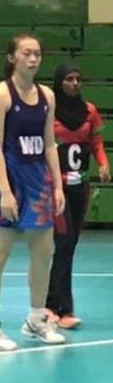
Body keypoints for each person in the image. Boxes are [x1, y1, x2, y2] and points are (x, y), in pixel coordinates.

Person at [0, 33, 66, 351]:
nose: (34, 59)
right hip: (8, 181)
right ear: (12, 57)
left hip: (37, 182)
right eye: (27, 53)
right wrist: (4, 192)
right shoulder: (3, 94)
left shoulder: (47, 97)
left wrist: (57, 185)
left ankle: (36, 319)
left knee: (44, 250)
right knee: (0, 253)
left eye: (37, 53)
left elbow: (50, 144)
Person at [45, 62, 111, 329]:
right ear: (59, 83)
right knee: (64, 243)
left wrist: (103, 162)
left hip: (80, 187)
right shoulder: (49, 112)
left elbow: (96, 142)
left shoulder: (89, 111)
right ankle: (56, 306)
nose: (74, 83)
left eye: (77, 79)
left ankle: (57, 306)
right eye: (68, 79)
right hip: (56, 188)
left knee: (69, 246)